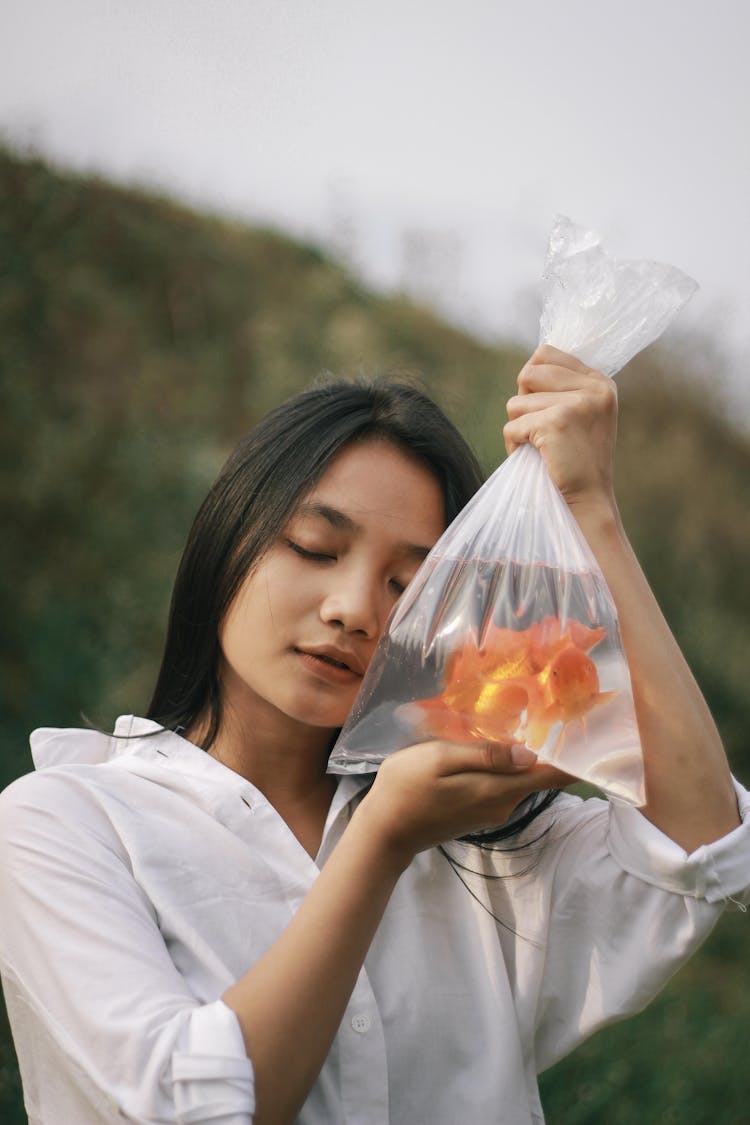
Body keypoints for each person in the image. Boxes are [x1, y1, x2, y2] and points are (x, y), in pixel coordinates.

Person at [1, 345, 748, 1125]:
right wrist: (381, 840)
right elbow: (192, 1108)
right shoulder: (67, 821)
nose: (355, 607)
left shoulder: (484, 845)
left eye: (410, 585)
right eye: (315, 549)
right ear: (228, 538)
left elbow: (701, 844)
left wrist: (592, 511)